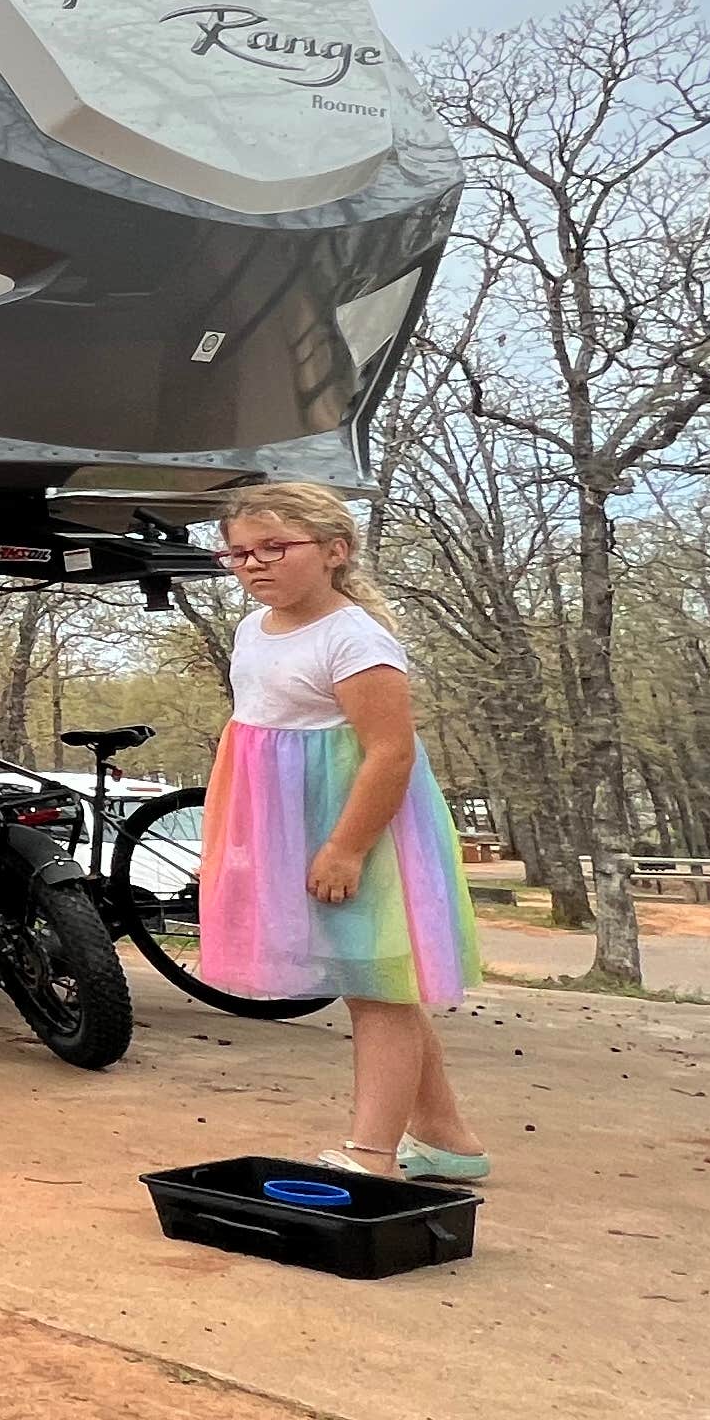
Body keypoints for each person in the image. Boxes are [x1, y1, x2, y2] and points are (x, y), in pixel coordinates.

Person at [193, 480, 489, 1183]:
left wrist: (347, 846)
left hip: (358, 824)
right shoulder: (251, 631)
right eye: (238, 553)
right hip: (291, 823)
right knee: (373, 980)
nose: (254, 564)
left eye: (274, 547)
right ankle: (447, 1136)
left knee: (380, 984)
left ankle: (372, 1154)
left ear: (334, 551)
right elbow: (261, 738)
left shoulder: (353, 637)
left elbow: (391, 752)